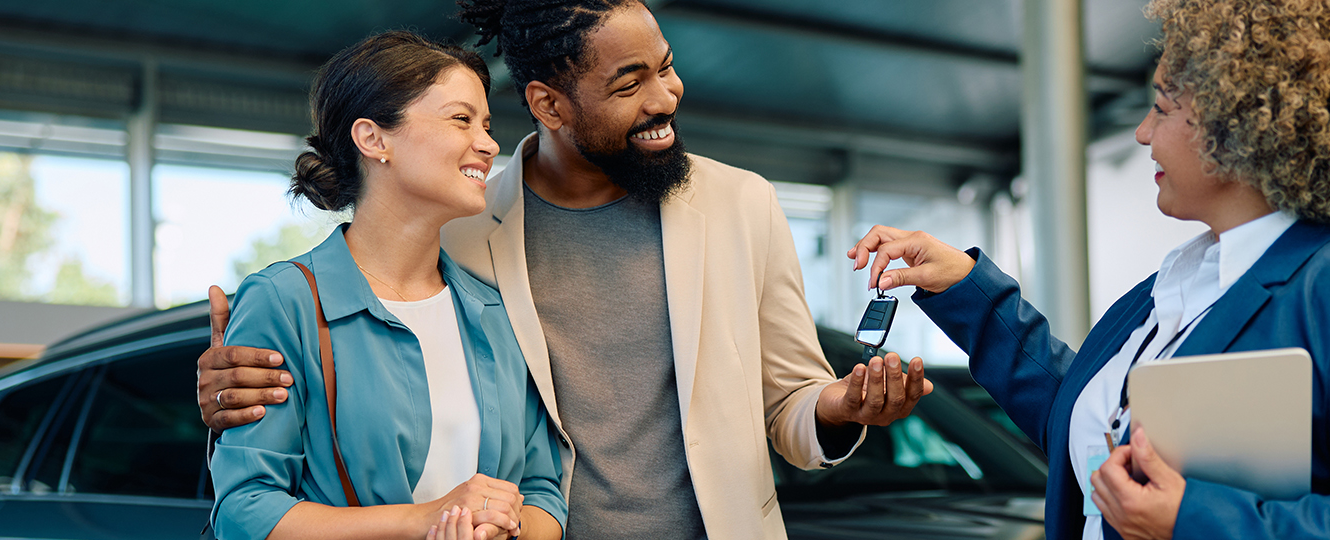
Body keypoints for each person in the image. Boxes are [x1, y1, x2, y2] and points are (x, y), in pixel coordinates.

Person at [196, 1, 934, 538]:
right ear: (549, 104)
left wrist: (840, 409)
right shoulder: (462, 227)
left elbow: (793, 407)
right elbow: (360, 326)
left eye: (667, 67)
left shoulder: (742, 204)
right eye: (629, 82)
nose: (667, 96)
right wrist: (228, 377)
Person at [847, 0, 1330, 539]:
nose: (1143, 133)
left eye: (1163, 109)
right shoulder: (1166, 290)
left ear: (1239, 127)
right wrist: (963, 285)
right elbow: (1081, 422)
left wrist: (1189, 520)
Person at [207, 31, 565, 540]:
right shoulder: (285, 301)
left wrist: (502, 526)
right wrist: (427, 519)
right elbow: (246, 512)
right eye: (462, 119)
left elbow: (543, 492)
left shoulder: (494, 311)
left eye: (487, 124)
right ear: (374, 139)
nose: (488, 143)